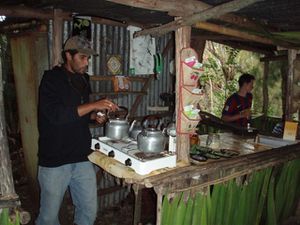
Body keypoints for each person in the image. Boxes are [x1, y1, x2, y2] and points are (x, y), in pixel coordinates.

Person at [36, 35, 118, 225]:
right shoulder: (51, 79)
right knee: (48, 218)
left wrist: (95, 116)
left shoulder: (83, 80)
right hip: (54, 160)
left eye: (88, 58)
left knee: (88, 211)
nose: (86, 62)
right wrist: (92, 105)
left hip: (81, 156)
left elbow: (79, 113)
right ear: (68, 56)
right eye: (82, 57)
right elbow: (56, 115)